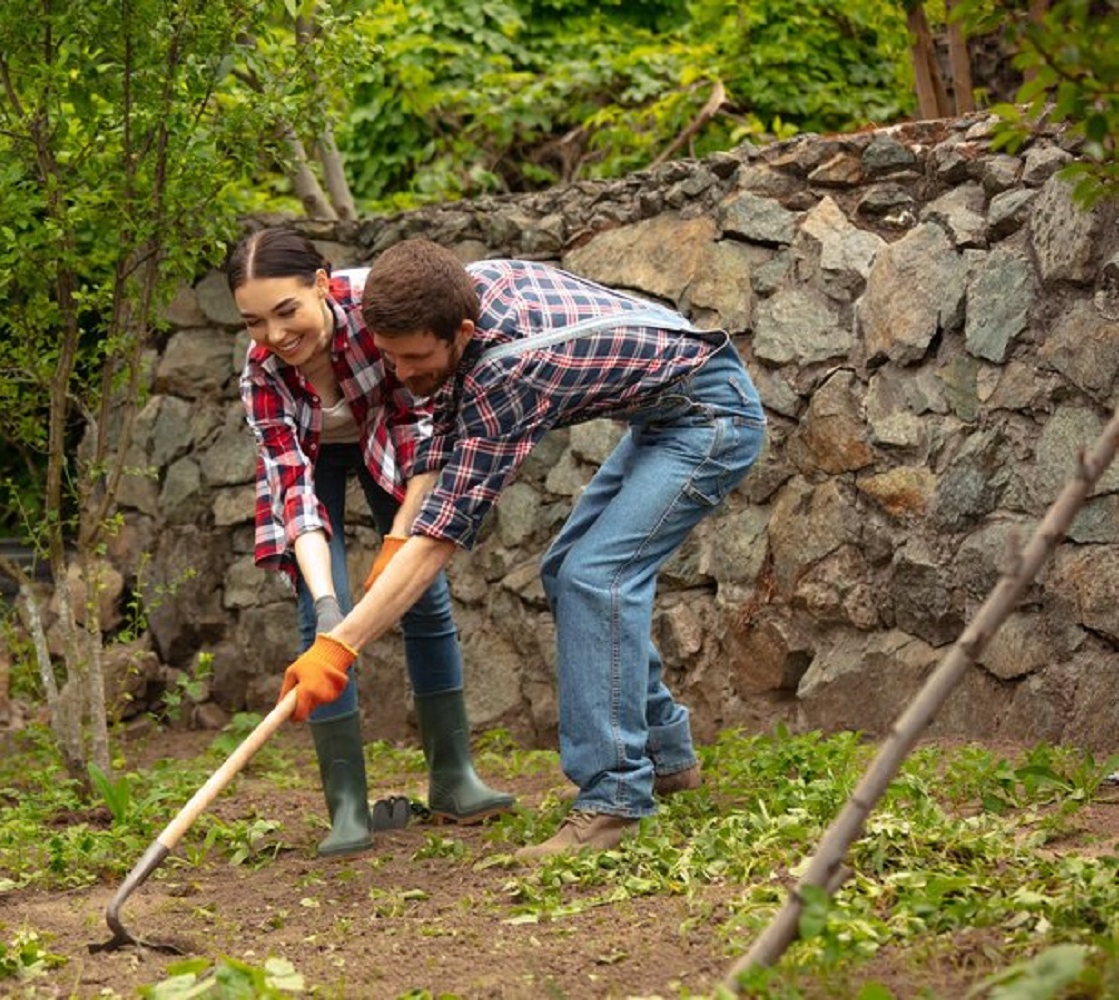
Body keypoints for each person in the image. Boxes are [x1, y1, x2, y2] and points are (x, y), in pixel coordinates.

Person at [279, 239, 767, 860]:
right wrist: (399, 534)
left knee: (596, 577)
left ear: (461, 332)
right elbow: (443, 427)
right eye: (389, 355)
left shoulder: (510, 371)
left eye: (415, 357)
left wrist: (339, 645)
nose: (400, 372)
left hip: (710, 415)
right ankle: (666, 757)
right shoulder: (453, 293)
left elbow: (442, 537)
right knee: (565, 569)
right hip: (665, 416)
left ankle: (614, 799)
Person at [225, 228, 515, 858]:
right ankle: (348, 810)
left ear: (321, 285)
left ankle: (454, 778)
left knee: (422, 593)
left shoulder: (377, 312)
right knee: (318, 619)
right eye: (254, 322)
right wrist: (331, 604)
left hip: (395, 438)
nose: (275, 335)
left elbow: (427, 424)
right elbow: (294, 493)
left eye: (286, 311)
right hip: (313, 460)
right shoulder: (262, 375)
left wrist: (400, 539)